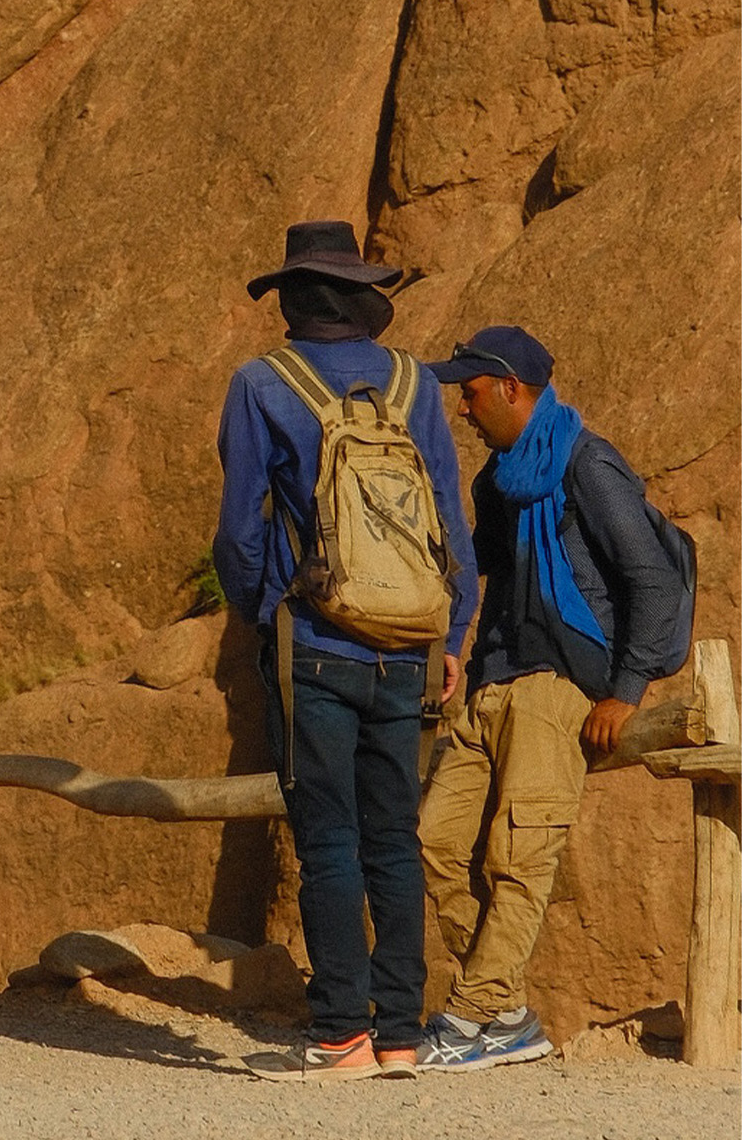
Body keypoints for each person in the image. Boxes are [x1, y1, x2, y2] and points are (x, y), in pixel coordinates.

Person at [213, 220, 477, 1081]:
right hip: (408, 645)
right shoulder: (414, 384)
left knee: (328, 840)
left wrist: (265, 612)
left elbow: (239, 529)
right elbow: (449, 520)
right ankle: (402, 1034)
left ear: (291, 297)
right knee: (393, 838)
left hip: (317, 641)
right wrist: (452, 630)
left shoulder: (262, 384)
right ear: (360, 294)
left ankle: (342, 1038)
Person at [415, 323, 686, 1074]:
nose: (461, 410)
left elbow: (653, 581)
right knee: (436, 840)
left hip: (560, 685)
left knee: (518, 854)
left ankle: (471, 1015)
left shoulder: (586, 464)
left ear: (511, 388)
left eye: (469, 393)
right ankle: (503, 1013)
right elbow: (495, 582)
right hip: (492, 685)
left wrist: (625, 692)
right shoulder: (496, 480)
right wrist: (460, 654)